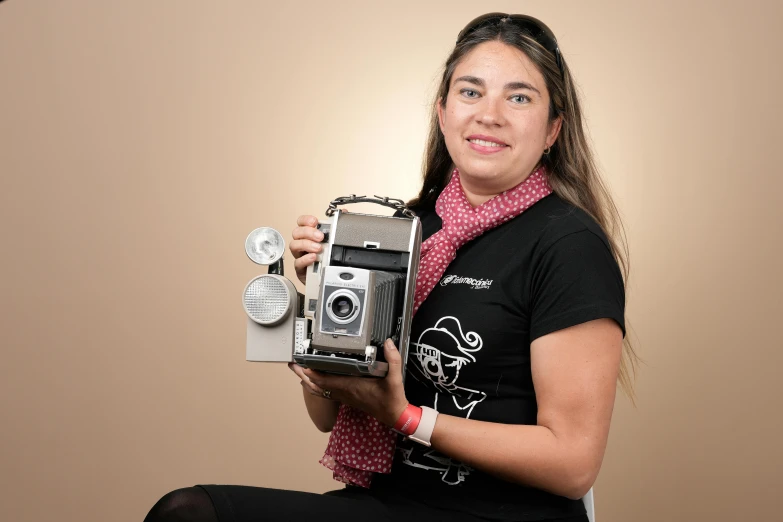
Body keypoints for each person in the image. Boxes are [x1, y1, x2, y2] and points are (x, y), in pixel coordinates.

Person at [144, 12, 637, 522]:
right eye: (470, 92)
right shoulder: (402, 230)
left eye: (519, 97)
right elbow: (326, 414)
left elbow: (573, 462)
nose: (489, 114)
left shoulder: (568, 245)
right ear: (443, 112)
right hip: (391, 500)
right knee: (187, 513)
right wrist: (323, 311)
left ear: (554, 127)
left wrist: (406, 417)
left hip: (501, 514)